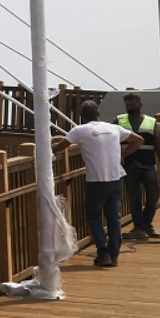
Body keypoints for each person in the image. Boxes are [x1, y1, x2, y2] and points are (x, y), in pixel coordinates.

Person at [64, 100, 140, 267]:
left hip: (96, 180)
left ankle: (103, 252)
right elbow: (138, 140)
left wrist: (42, 151)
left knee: (93, 216)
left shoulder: (80, 130)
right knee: (114, 218)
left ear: (82, 116)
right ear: (98, 114)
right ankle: (114, 255)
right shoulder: (113, 128)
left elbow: (60, 146)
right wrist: (123, 155)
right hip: (116, 178)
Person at [118, 93, 160, 240]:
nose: (130, 107)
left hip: (148, 164)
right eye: (128, 105)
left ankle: (146, 224)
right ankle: (139, 227)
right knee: (135, 198)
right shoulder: (118, 120)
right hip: (129, 165)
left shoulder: (152, 122)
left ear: (140, 105)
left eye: (133, 104)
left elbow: (158, 144)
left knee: (154, 195)